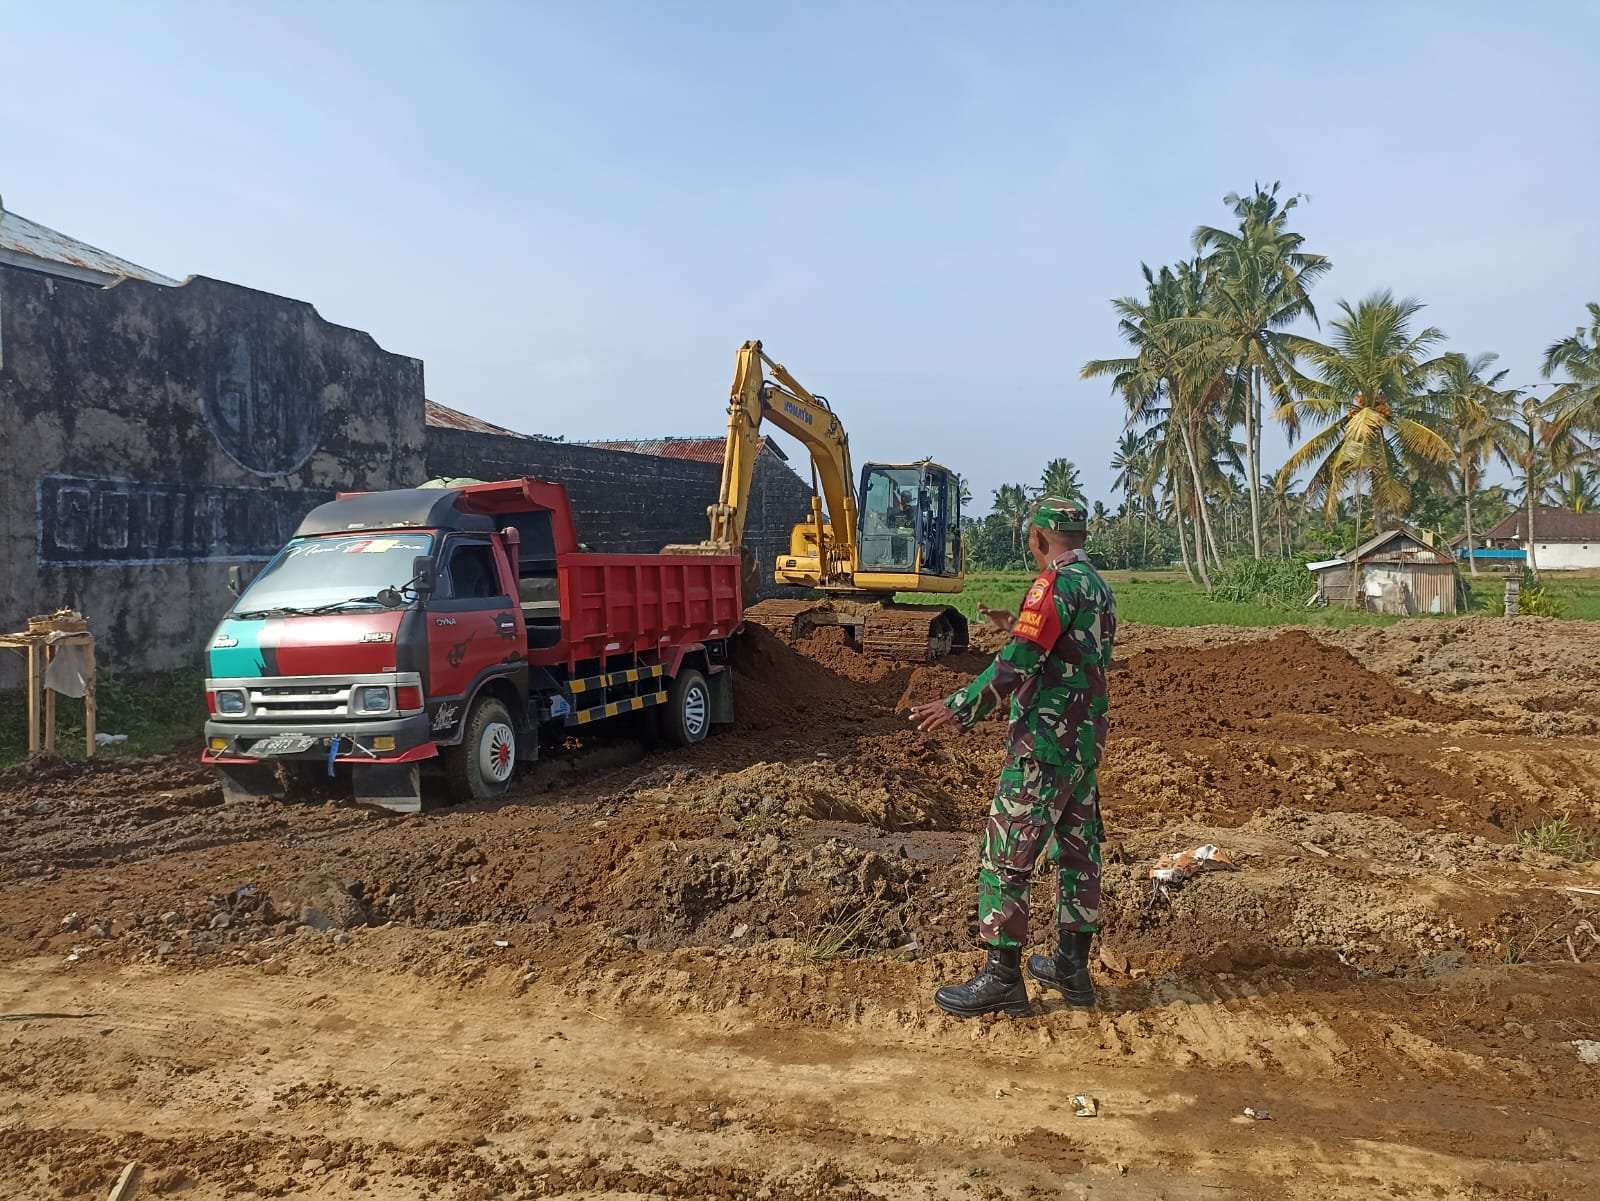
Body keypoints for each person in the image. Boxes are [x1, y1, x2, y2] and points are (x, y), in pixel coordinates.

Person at [909, 495, 1117, 1018]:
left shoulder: (1054, 585)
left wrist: (959, 705)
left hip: (1043, 746)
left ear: (1037, 538)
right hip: (1082, 745)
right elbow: (1072, 655)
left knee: (1005, 858)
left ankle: (1002, 978)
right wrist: (1015, 628)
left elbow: (1018, 662)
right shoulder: (1097, 586)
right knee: (1078, 855)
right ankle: (1072, 967)